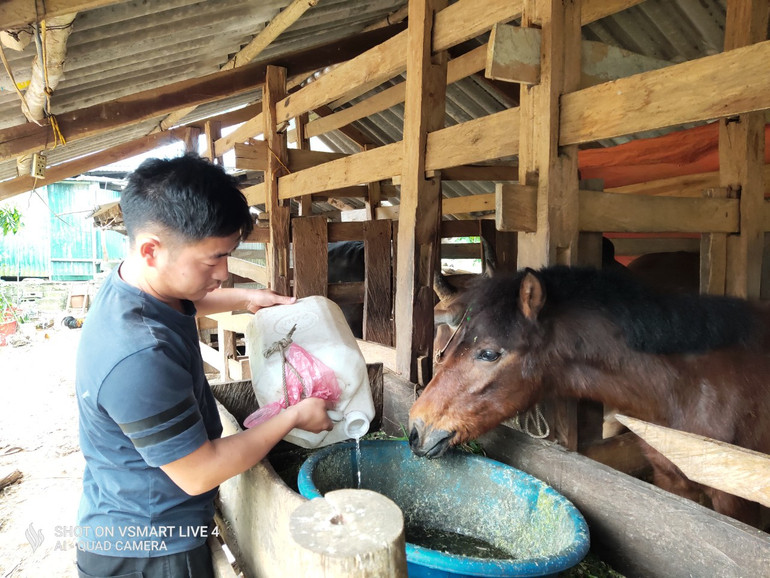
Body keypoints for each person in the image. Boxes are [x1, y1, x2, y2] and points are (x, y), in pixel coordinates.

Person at [74, 153, 333, 577]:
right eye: (212, 259)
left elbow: (183, 300)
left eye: (228, 255)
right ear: (151, 250)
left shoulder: (134, 283)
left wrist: (248, 299)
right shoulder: (140, 357)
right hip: (150, 549)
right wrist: (293, 416)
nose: (224, 272)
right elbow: (202, 472)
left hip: (126, 510)